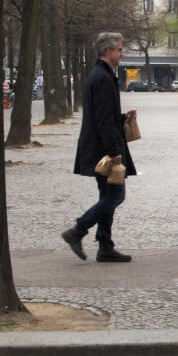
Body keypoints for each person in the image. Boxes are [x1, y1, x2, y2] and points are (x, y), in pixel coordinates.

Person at [62, 32, 137, 263]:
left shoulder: (100, 75)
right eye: (119, 49)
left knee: (108, 194)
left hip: (99, 145)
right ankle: (78, 230)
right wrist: (114, 152)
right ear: (108, 50)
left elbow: (105, 115)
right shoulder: (103, 78)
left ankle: (105, 246)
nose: (122, 54)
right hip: (103, 148)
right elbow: (103, 120)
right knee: (116, 195)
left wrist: (123, 117)